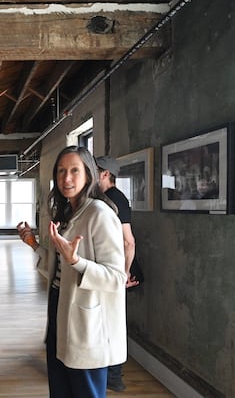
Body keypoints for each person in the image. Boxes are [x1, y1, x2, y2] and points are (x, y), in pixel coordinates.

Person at [16, 146, 126, 398]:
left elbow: (116, 278)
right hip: (59, 309)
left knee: (85, 392)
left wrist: (76, 261)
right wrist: (34, 245)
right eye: (61, 171)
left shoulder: (100, 214)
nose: (66, 178)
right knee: (61, 390)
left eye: (74, 171)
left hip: (88, 323)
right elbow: (60, 270)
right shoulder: (69, 212)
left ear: (89, 174)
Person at [96, 155, 139, 392]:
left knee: (113, 323)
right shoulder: (105, 198)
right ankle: (109, 374)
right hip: (107, 268)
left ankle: (114, 377)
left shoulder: (115, 200)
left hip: (114, 271)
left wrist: (123, 273)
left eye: (94, 169)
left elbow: (128, 241)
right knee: (106, 321)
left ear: (104, 174)